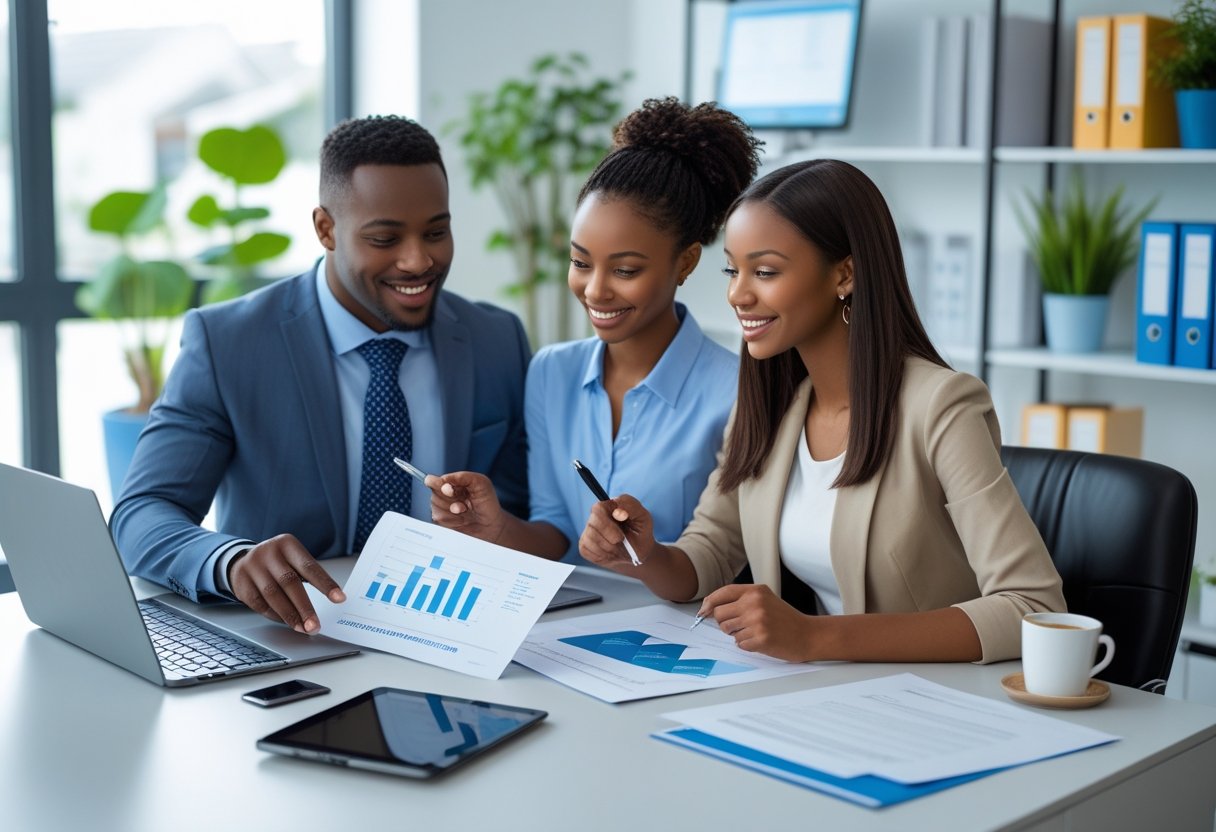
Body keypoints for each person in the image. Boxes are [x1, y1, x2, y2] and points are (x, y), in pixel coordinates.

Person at [579, 159, 1066, 664]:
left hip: (927, 692)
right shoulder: (772, 405)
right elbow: (709, 553)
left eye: (764, 272)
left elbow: (1031, 608)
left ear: (844, 274)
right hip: (822, 687)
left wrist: (814, 637)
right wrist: (643, 554)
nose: (737, 294)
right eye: (732, 270)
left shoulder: (942, 407)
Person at [111, 115, 531, 635]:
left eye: (436, 233)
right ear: (326, 229)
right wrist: (231, 561)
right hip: (297, 635)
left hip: (459, 631)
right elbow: (141, 514)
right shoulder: (228, 343)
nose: (418, 260)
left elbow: (527, 513)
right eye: (385, 238)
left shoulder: (496, 340)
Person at [425, 98, 760, 563]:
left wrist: (643, 554)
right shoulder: (551, 371)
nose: (595, 290)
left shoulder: (738, 391)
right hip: (566, 609)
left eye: (625, 270)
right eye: (581, 262)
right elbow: (556, 530)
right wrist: (495, 526)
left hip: (678, 610)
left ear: (685, 262)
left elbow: (721, 555)